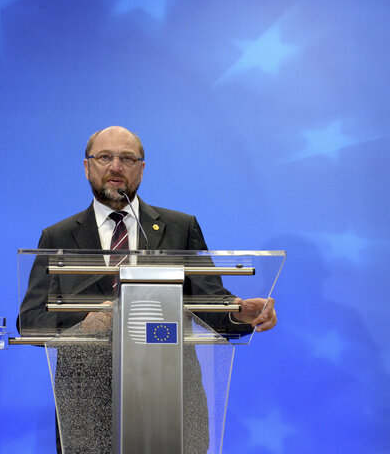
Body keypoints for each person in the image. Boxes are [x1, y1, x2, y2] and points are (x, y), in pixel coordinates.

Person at [18, 126, 277, 453]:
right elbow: (30, 320)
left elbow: (208, 299)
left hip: (173, 397)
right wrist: (83, 324)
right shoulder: (58, 237)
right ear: (87, 167)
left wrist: (238, 312)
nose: (115, 166)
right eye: (104, 157)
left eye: (127, 158)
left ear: (141, 168)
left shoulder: (179, 228)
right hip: (86, 403)